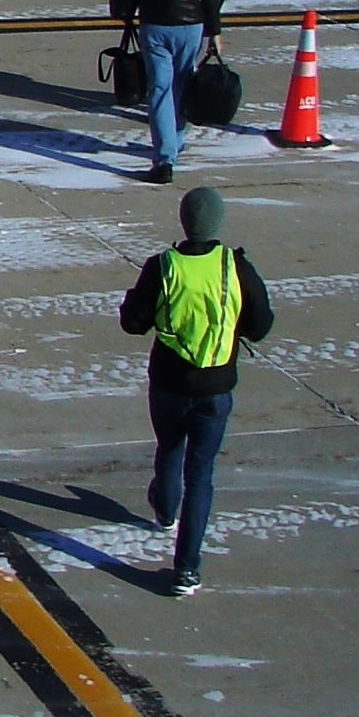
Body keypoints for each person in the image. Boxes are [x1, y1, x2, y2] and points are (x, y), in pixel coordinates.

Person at [119, 186, 273, 595]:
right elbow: (261, 325)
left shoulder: (163, 266)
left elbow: (133, 323)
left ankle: (165, 511)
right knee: (201, 475)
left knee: (169, 448)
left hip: (169, 381)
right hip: (216, 386)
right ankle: (186, 570)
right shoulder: (234, 267)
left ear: (183, 222)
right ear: (218, 223)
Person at [130, 0, 225, 183]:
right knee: (181, 85)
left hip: (155, 24)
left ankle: (164, 158)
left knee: (159, 88)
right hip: (190, 25)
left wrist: (124, 13)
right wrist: (215, 29)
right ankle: (176, 139)